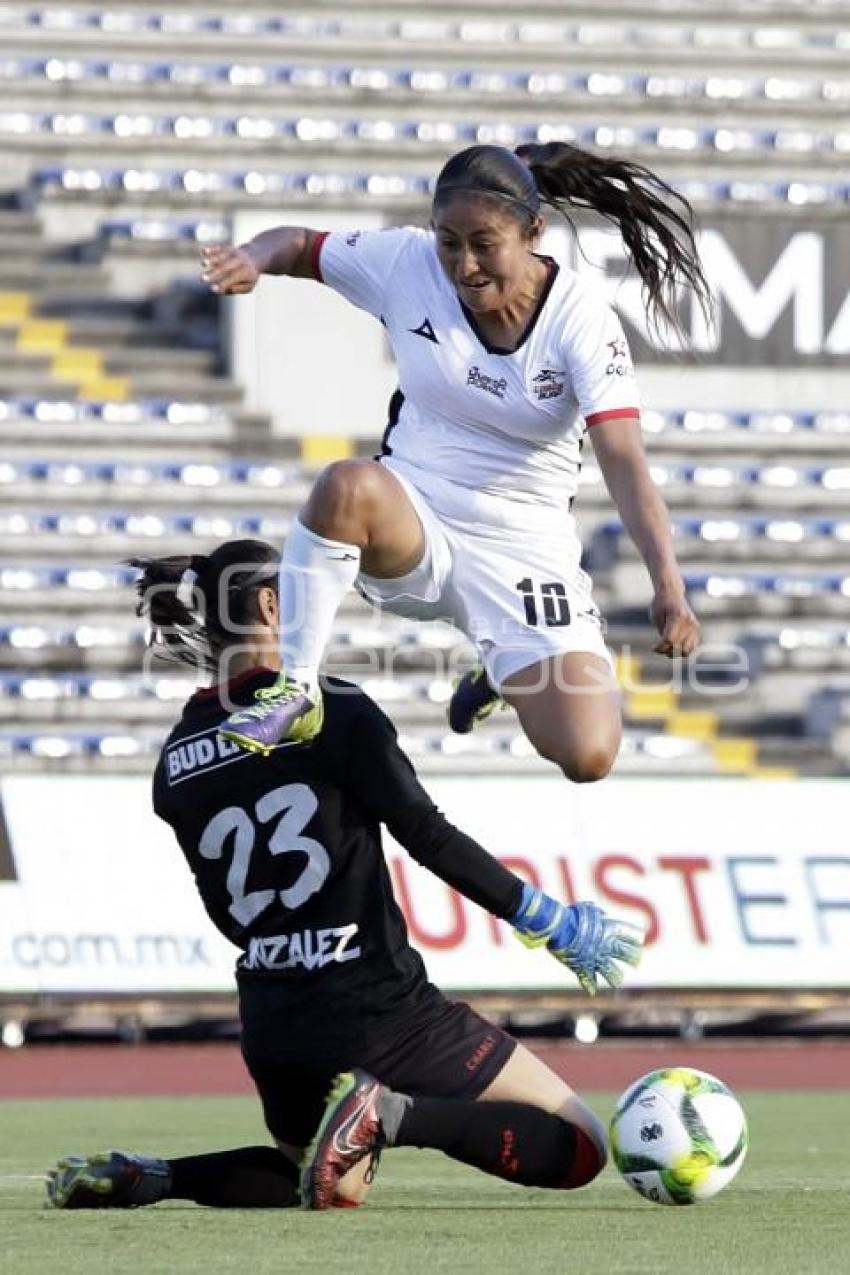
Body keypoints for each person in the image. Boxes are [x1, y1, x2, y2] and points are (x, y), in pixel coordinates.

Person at [46, 539, 641, 1212]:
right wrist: (541, 917)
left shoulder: (177, 755)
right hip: (381, 1008)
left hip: (273, 1023)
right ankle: (392, 1112)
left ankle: (154, 1176)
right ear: (272, 603)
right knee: (581, 1144)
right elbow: (427, 833)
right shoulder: (330, 708)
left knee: (326, 1182)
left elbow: (223, 908)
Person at [202, 142, 706, 779]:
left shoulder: (582, 321)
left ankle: (499, 666)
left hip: (525, 550)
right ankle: (297, 692)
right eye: (449, 243)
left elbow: (625, 461)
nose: (463, 265)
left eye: (483, 244)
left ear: (533, 233)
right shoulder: (407, 262)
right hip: (415, 522)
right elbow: (299, 244)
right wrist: (253, 258)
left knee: (589, 754)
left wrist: (668, 584)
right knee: (346, 485)